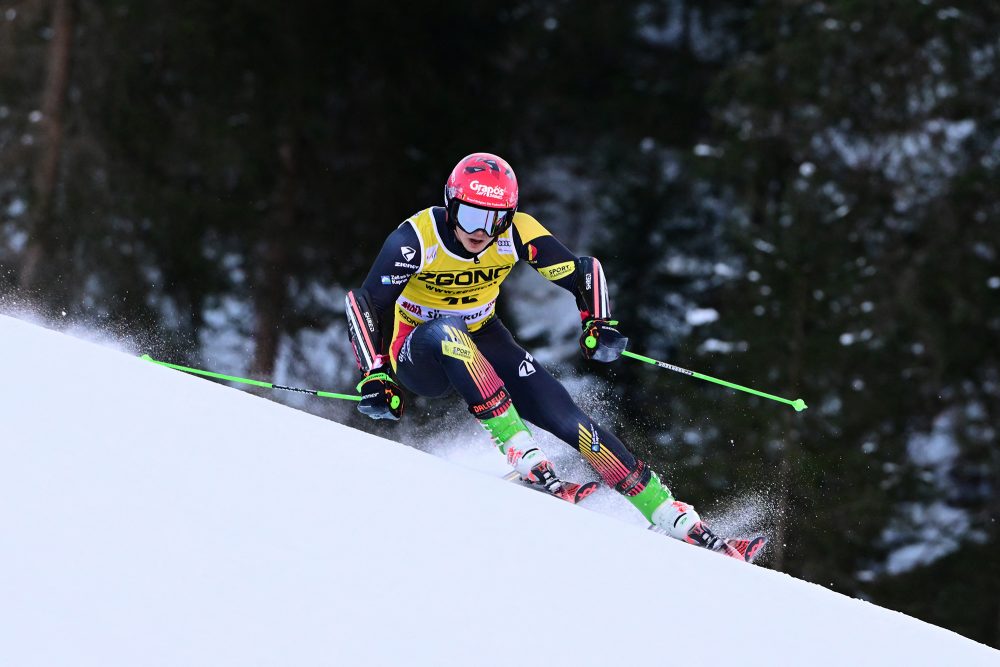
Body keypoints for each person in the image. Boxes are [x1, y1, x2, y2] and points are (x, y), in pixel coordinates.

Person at [345, 152, 749, 559]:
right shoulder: (416, 239)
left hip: (483, 334)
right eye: (470, 217)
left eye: (495, 220)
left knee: (564, 413)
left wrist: (599, 323)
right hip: (418, 348)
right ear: (450, 205)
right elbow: (366, 304)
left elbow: (583, 271)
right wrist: (375, 373)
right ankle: (521, 449)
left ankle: (666, 513)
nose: (481, 232)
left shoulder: (516, 233)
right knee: (448, 334)